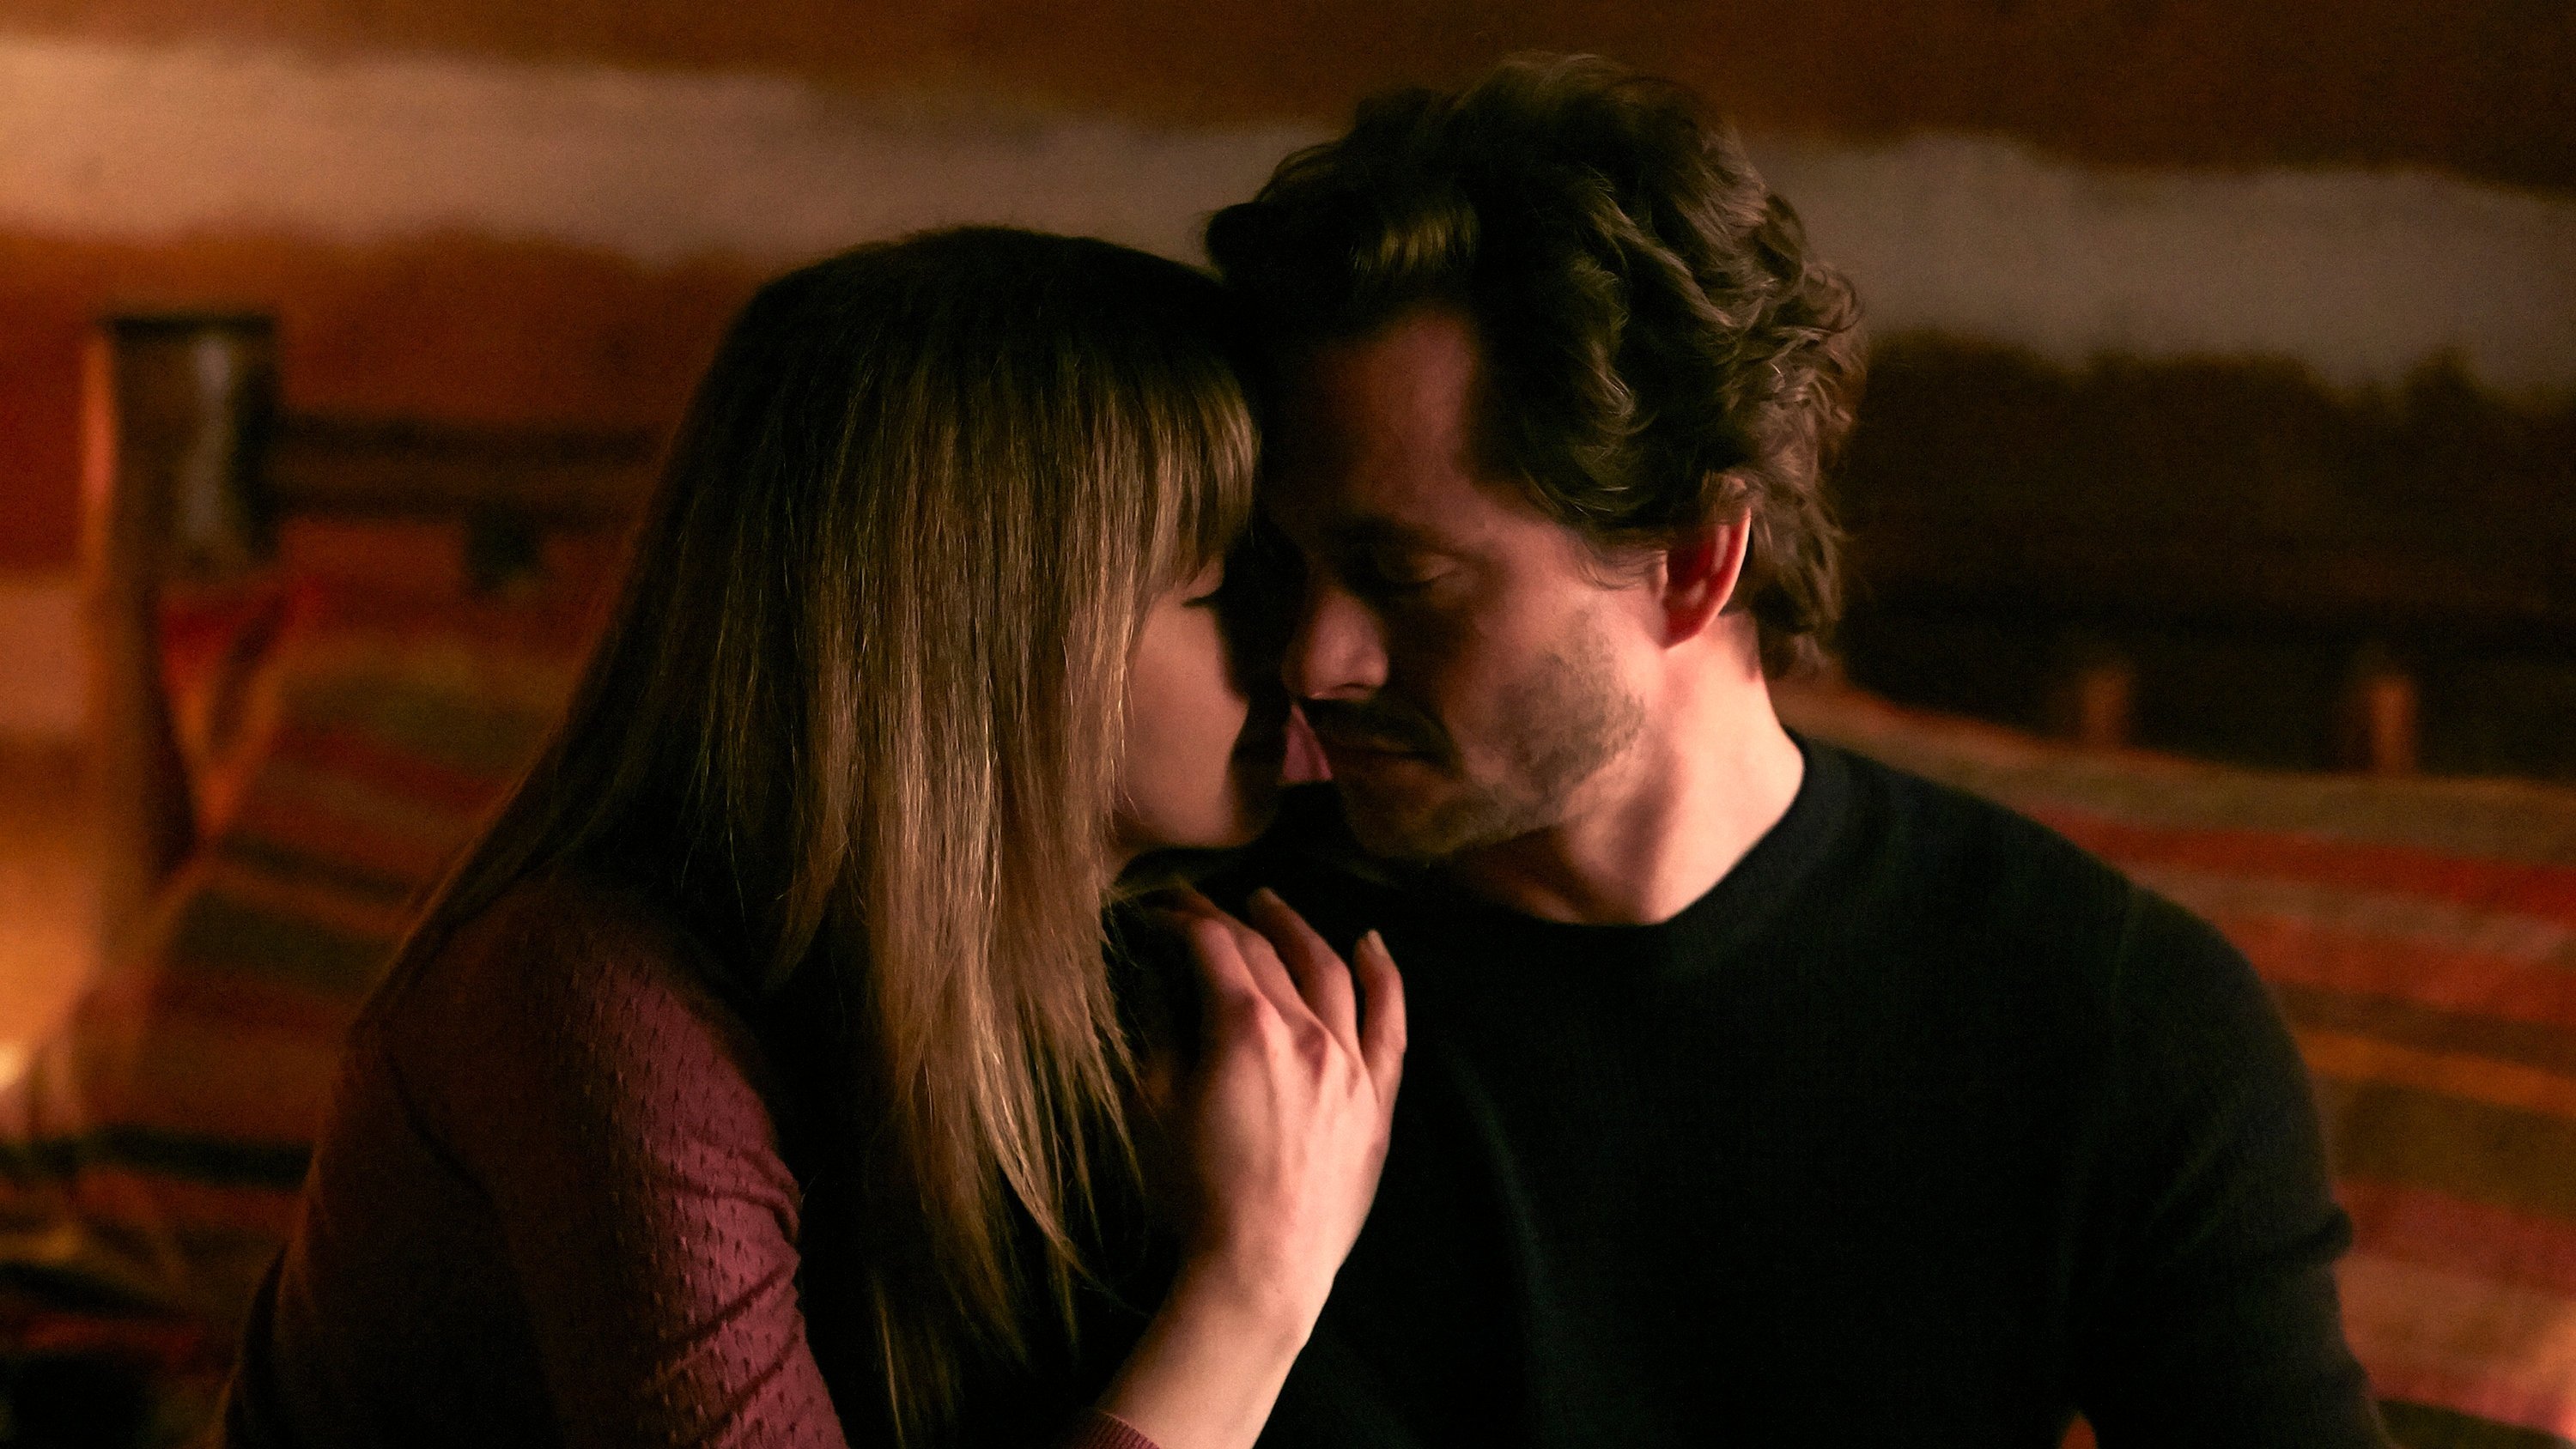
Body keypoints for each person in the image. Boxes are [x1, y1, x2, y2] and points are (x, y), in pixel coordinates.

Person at [1200, 56, 2391, 1446]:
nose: (1314, 662)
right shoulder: (1238, 988)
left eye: (1401, 575)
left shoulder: (2105, 1022)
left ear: (1694, 559)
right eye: (1287, 569)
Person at [214, 228, 1406, 1449]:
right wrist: (1254, 1286)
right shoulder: (594, 1005)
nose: (1311, 649)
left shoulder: (1182, 967)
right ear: (984, 637)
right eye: (1231, 588)